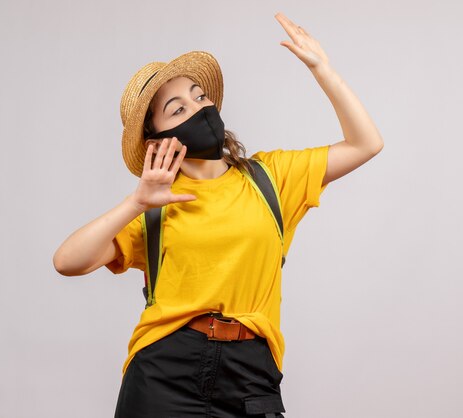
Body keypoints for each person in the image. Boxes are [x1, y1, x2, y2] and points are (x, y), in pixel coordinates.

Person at [53, 12, 383, 418]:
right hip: (163, 374)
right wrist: (136, 203)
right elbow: (67, 262)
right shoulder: (155, 209)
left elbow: (366, 143)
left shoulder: (271, 178)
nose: (197, 107)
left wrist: (323, 70)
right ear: (157, 139)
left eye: (199, 96)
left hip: (251, 374)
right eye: (177, 109)